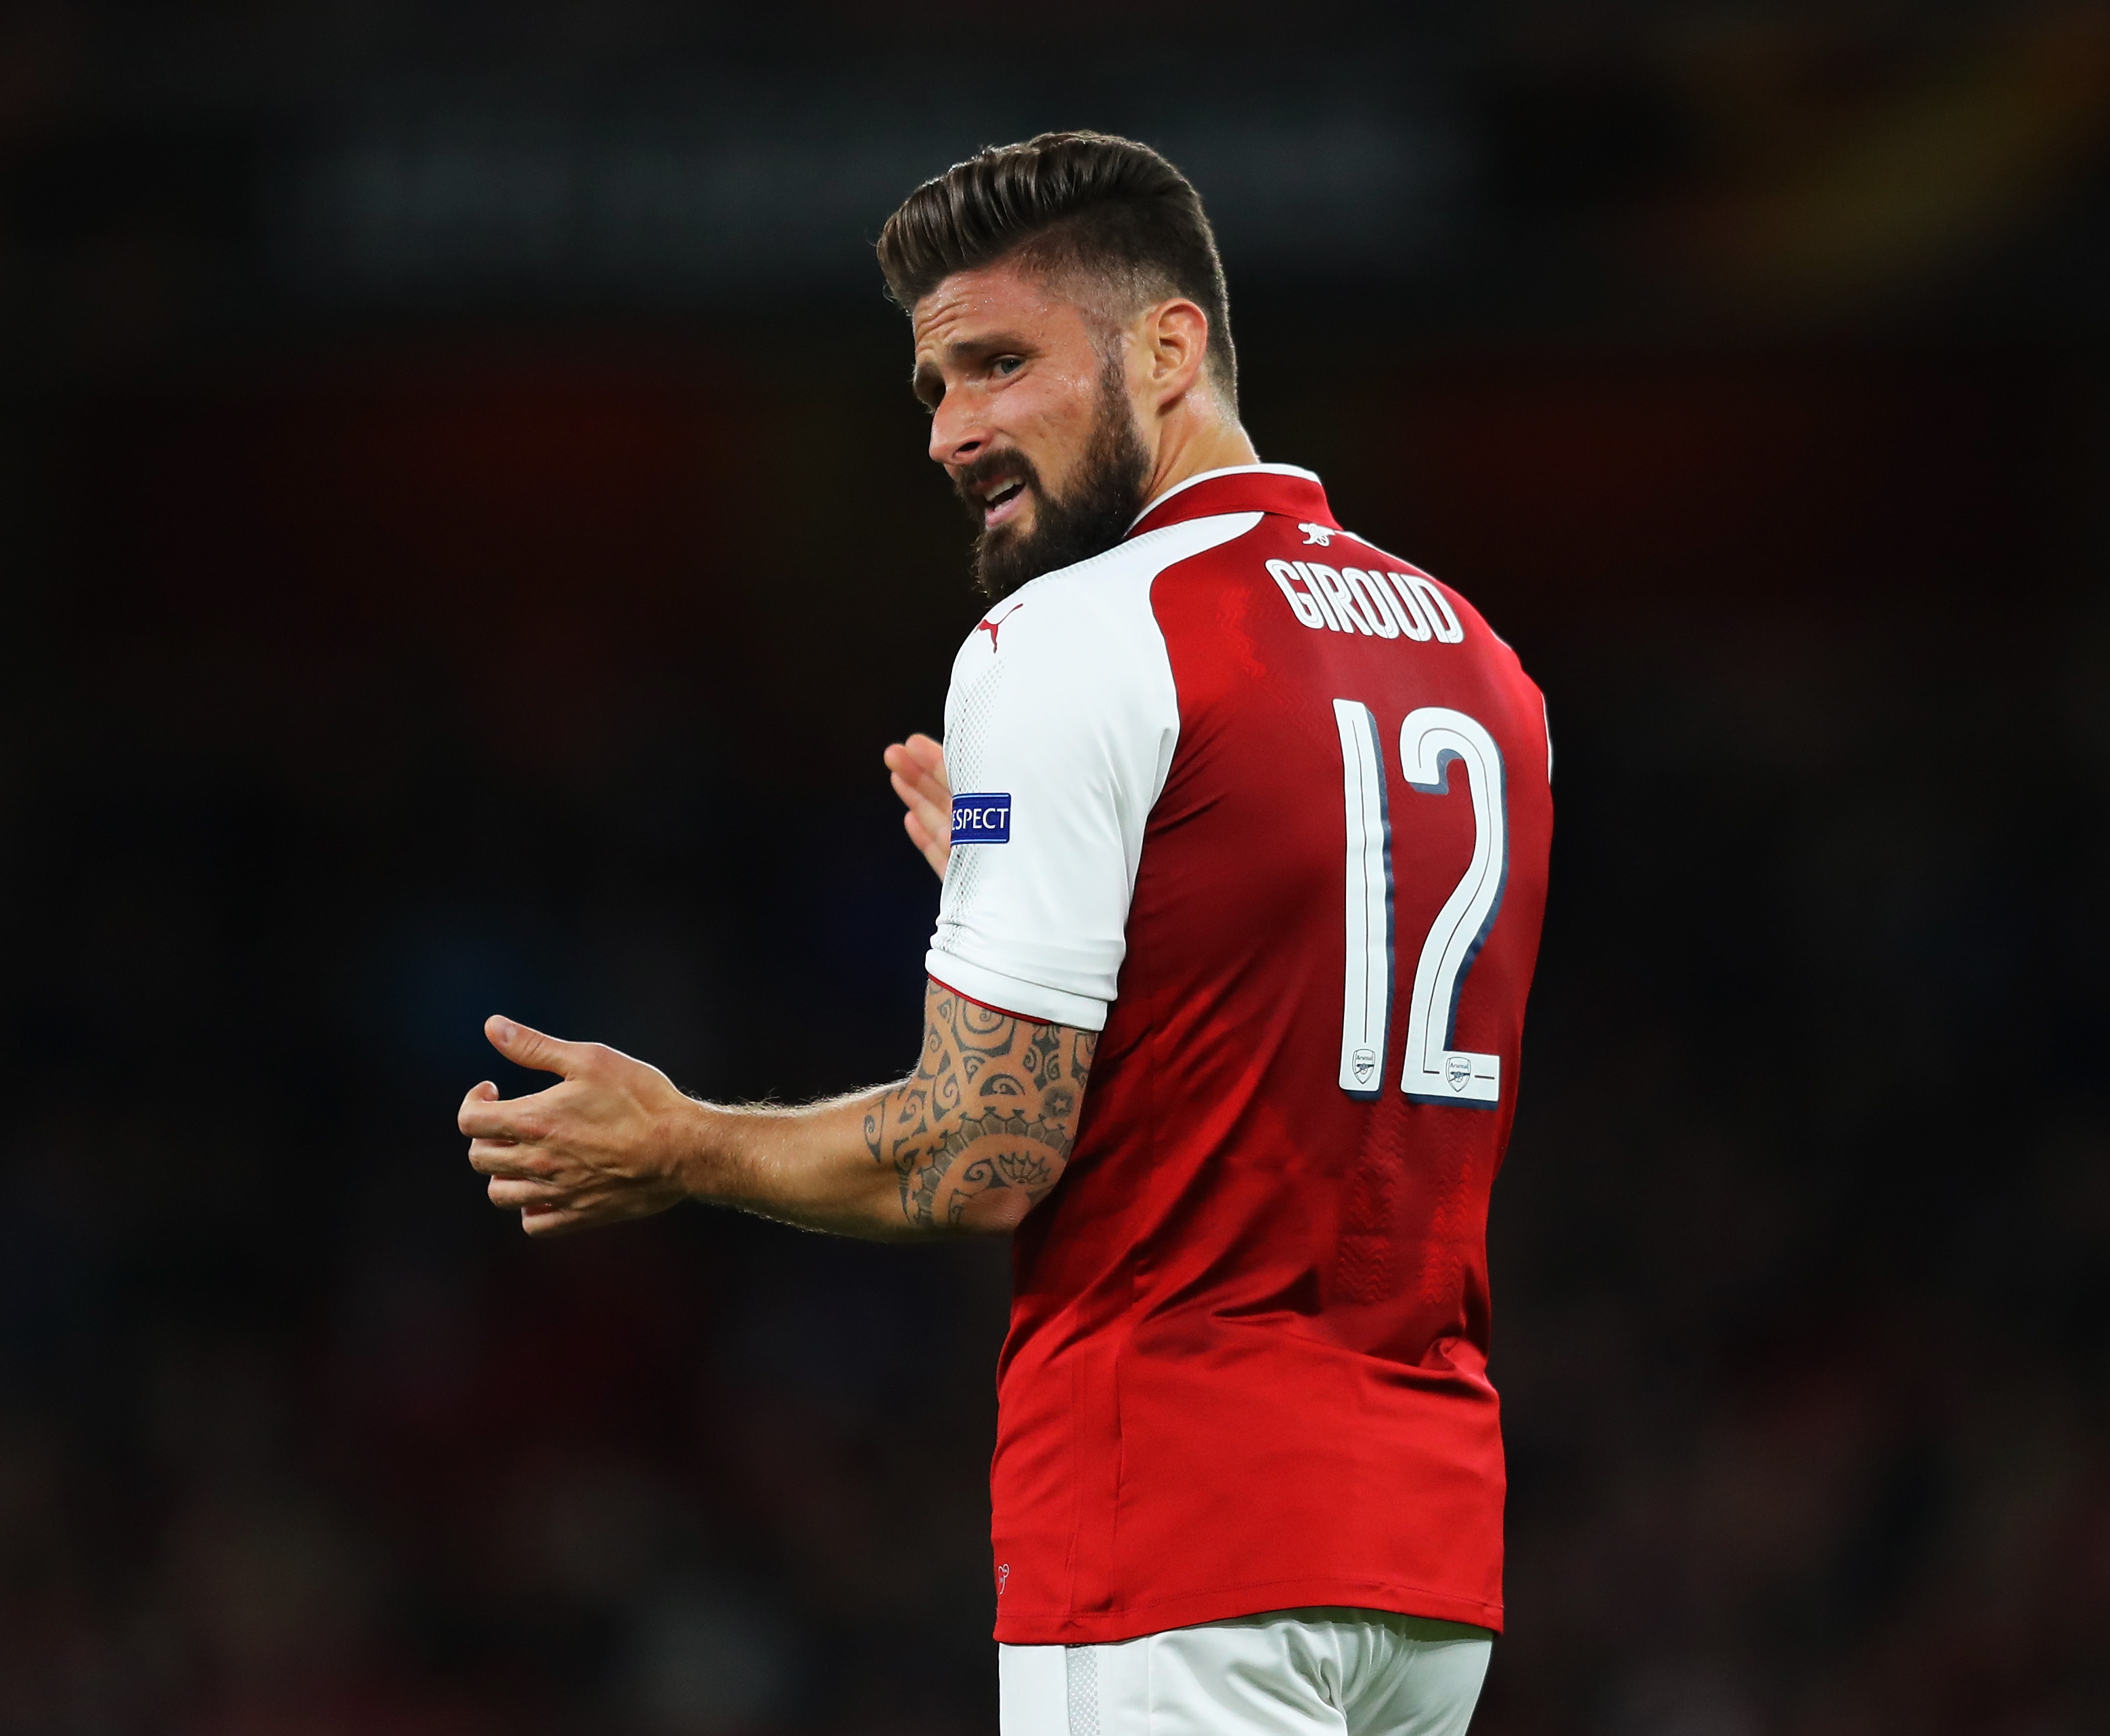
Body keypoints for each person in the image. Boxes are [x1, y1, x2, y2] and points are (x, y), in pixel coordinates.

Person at [459, 131, 1554, 1736]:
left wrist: (682, 1141)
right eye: (932, 389)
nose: (955, 430)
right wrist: (1022, 871)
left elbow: (978, 1149)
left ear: (1171, 343)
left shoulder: (1069, 640)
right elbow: (1270, 991)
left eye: (997, 363)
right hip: (1418, 1553)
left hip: (1169, 1519)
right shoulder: (1477, 661)